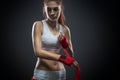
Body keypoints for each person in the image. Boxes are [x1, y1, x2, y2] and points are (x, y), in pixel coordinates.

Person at [31, 0, 79, 80]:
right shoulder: (38, 25)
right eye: (49, 9)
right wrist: (62, 58)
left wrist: (65, 44)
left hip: (61, 74)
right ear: (44, 9)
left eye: (55, 9)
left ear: (61, 8)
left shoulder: (65, 29)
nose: (52, 13)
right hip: (43, 74)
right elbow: (38, 52)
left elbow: (70, 56)